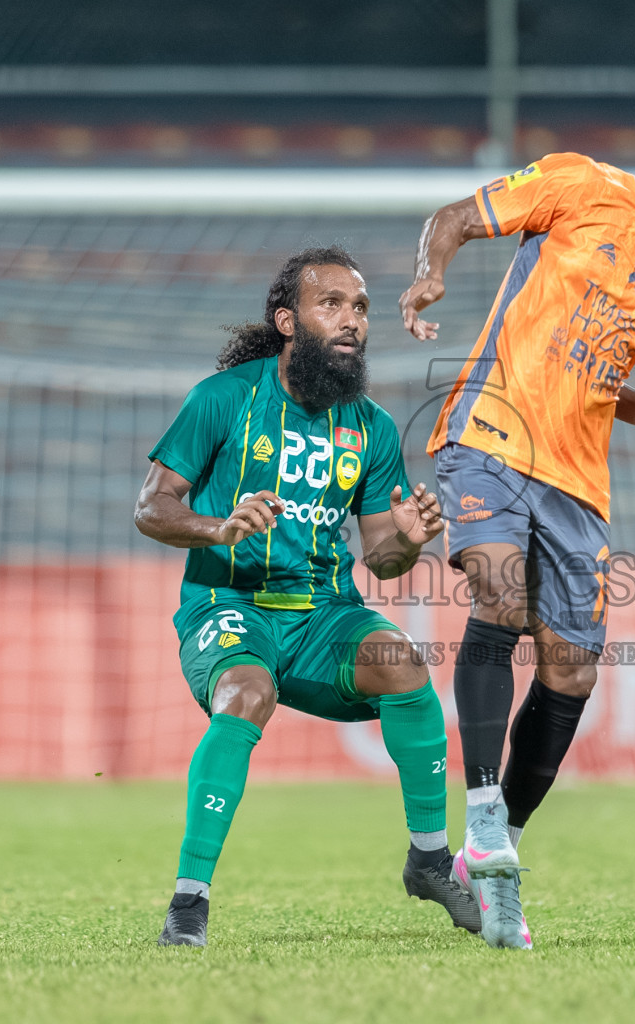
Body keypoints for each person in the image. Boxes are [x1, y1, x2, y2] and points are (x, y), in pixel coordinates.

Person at [398, 111, 635, 949]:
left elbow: (588, 368)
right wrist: (431, 273)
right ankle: (482, 814)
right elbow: (455, 218)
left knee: (573, 675)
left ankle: (485, 856)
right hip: (489, 436)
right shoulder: (580, 184)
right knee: (497, 596)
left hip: (577, 481)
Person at [137, 245, 477, 947]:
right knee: (245, 693)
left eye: (359, 308)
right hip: (230, 605)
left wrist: (409, 538)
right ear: (287, 321)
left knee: (405, 664)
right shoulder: (224, 398)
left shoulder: (372, 428)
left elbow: (382, 561)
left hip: (324, 615)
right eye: (332, 304)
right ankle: (188, 903)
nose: (351, 320)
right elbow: (151, 506)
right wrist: (216, 526)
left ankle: (430, 859)